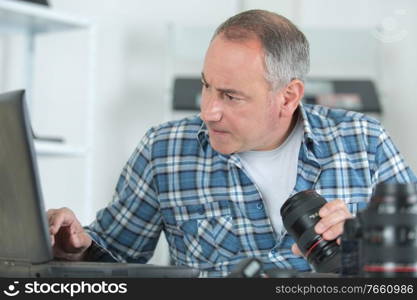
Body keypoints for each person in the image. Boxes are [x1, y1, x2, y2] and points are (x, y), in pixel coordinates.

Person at [47, 9, 416, 277]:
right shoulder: (164, 150)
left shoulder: (363, 141)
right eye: (206, 85)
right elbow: (112, 260)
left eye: (230, 96)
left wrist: (373, 243)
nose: (209, 111)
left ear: (288, 97)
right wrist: (75, 249)